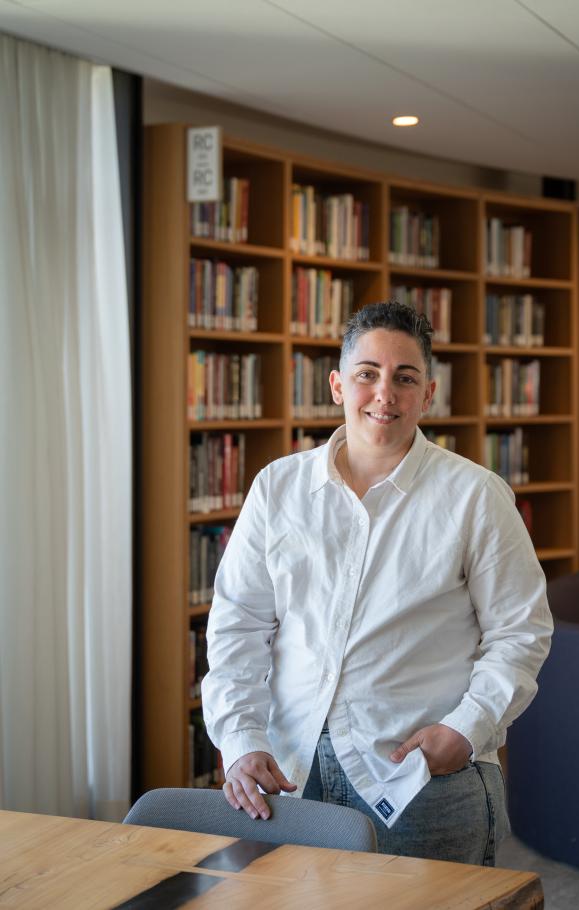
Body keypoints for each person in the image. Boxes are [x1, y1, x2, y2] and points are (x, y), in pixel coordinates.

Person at [202, 301, 553, 864]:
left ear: (428, 394)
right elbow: (237, 625)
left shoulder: (475, 496)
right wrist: (240, 739)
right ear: (339, 385)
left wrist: (466, 730)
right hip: (291, 774)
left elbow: (521, 633)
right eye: (368, 374)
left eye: (404, 378)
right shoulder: (278, 489)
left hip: (421, 777)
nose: (385, 394)